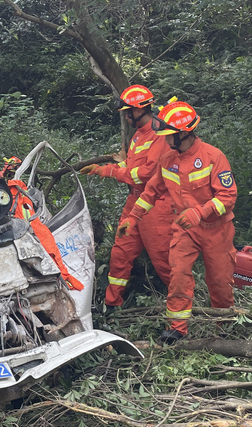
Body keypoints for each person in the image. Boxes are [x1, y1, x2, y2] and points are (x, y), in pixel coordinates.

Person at [119, 100, 236, 344]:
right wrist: (133, 217)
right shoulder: (168, 159)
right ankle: (176, 328)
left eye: (168, 135)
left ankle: (224, 327)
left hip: (217, 231)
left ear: (183, 133)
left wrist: (200, 212)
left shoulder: (213, 157)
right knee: (178, 274)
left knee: (219, 282)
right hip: (185, 230)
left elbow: (228, 197)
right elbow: (150, 191)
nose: (164, 139)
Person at [79, 85, 173, 311]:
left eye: (128, 112)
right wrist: (103, 168)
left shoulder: (160, 136)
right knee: (120, 254)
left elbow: (145, 174)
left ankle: (183, 304)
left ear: (140, 109)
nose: (126, 116)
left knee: (164, 259)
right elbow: (130, 167)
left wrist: (109, 172)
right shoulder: (139, 136)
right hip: (134, 203)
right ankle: (112, 304)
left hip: (156, 206)